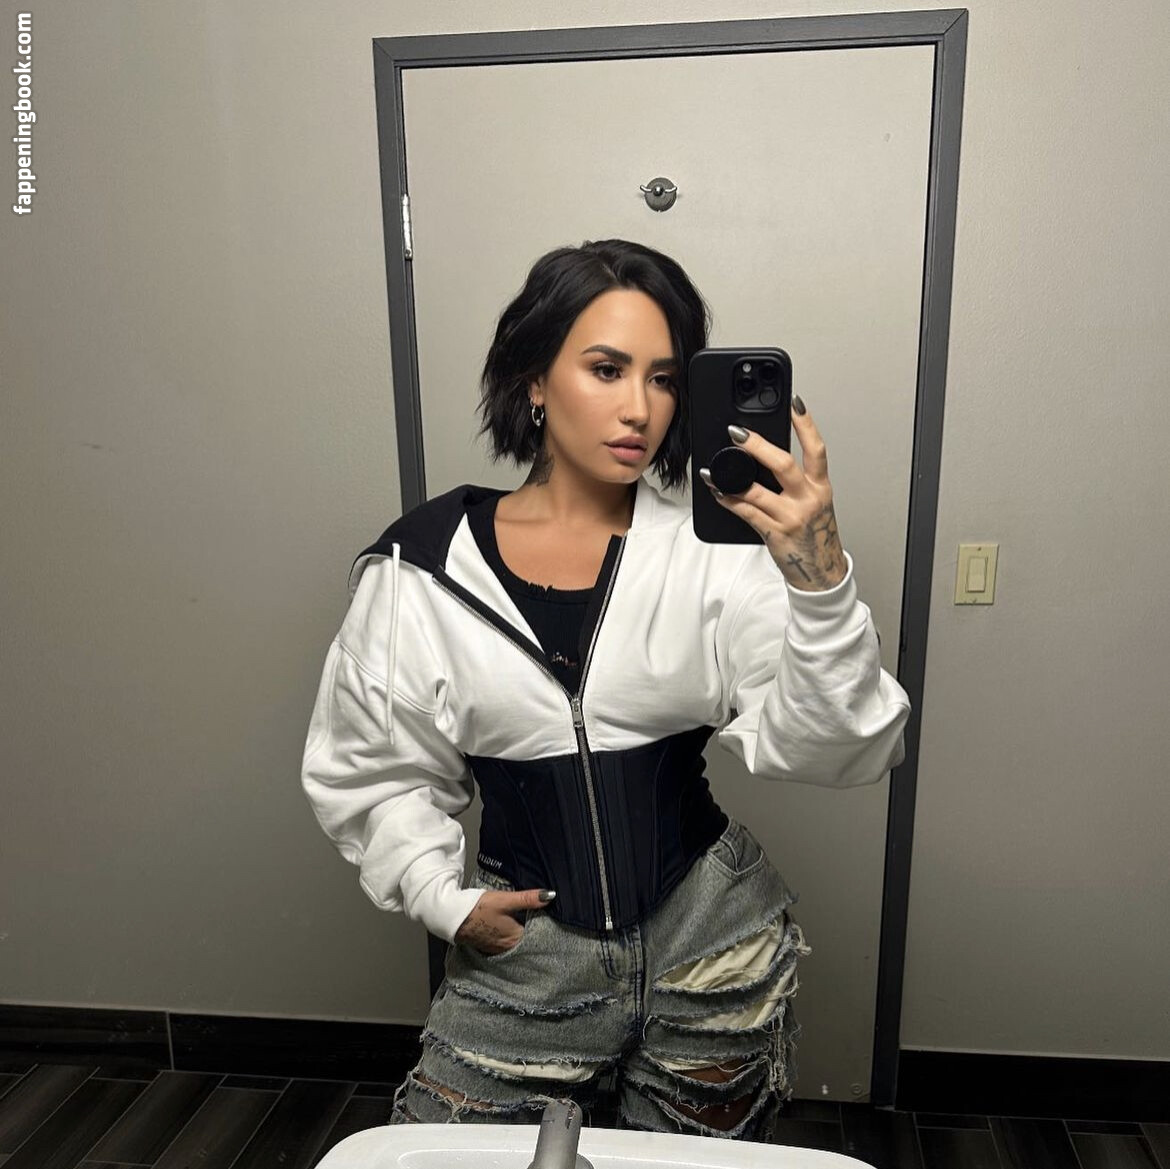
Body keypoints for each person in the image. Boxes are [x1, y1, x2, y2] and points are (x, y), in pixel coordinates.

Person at [300, 238, 911, 1140]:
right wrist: (441, 896)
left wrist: (817, 575)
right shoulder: (423, 569)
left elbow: (844, 746)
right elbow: (371, 768)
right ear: (534, 381)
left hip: (714, 948)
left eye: (663, 379)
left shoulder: (715, 556)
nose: (640, 408)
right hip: (528, 958)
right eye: (606, 368)